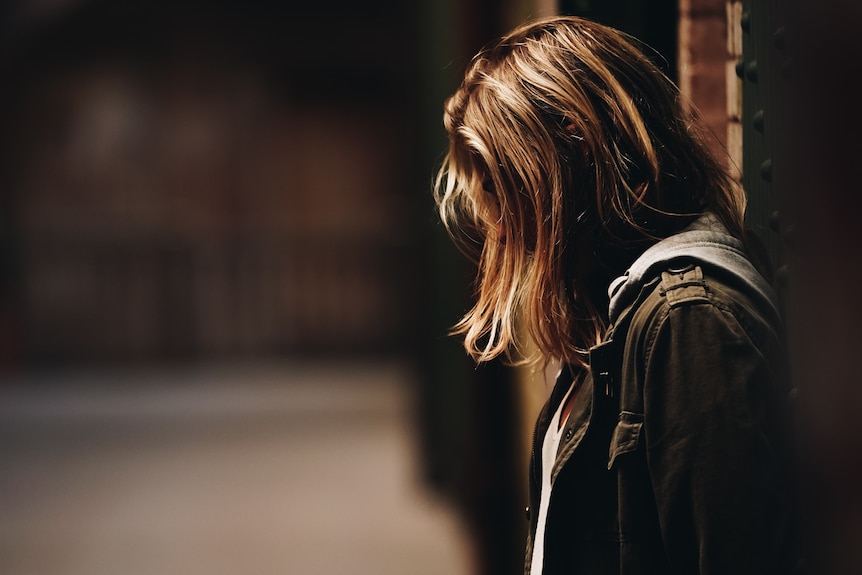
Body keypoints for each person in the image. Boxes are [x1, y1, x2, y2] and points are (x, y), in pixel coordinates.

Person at [433, 15, 800, 575]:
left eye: (505, 190)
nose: (500, 230)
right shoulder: (616, 317)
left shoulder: (689, 322)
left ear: (573, 159)